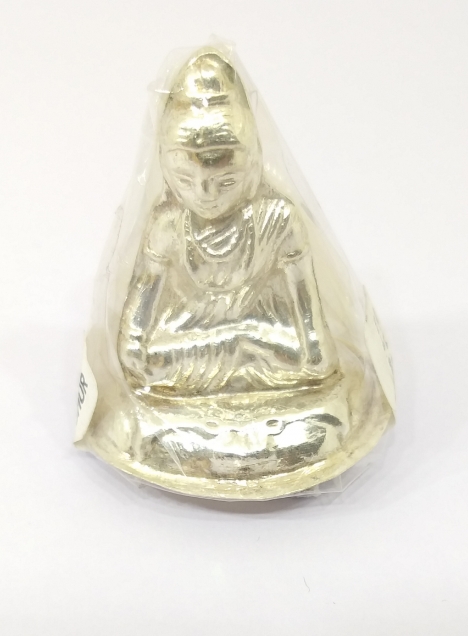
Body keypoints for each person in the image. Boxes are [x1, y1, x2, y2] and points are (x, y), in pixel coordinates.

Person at [118, 50, 338, 396]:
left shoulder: (278, 218)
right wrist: (132, 348)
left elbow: (306, 307)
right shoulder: (167, 223)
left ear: (251, 167)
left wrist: (313, 345)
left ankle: (247, 352)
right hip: (189, 336)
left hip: (262, 332)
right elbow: (140, 314)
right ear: (167, 171)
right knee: (156, 358)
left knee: (298, 354)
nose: (205, 195)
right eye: (186, 180)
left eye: (226, 180)